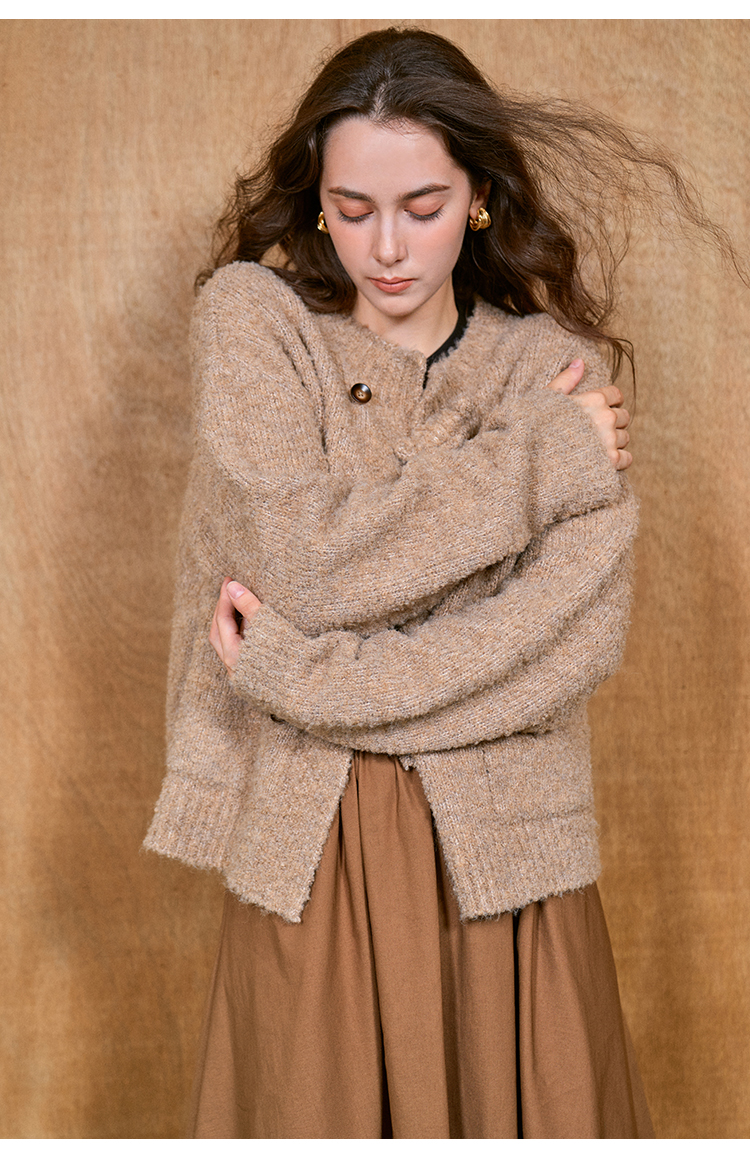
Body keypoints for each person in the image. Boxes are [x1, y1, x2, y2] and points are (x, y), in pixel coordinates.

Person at [145, 27, 658, 1138]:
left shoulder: (552, 370)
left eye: (423, 206)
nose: (385, 246)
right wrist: (538, 462)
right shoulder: (256, 323)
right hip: (308, 852)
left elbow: (569, 647)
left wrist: (295, 676)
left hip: (510, 872)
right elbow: (299, 560)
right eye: (352, 207)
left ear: (479, 198)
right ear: (316, 202)